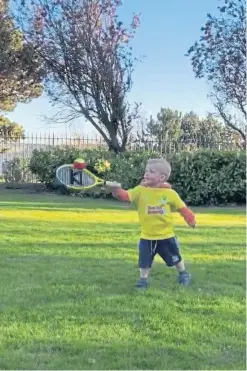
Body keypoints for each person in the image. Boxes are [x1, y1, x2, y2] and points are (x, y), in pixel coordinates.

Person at [109, 158, 196, 288]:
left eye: (151, 171)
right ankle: (143, 280)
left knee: (175, 257)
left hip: (166, 235)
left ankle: (183, 273)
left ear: (162, 177)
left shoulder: (170, 194)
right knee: (144, 261)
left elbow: (182, 208)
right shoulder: (140, 190)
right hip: (147, 236)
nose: (146, 174)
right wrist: (116, 190)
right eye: (146, 171)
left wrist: (190, 219)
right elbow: (126, 196)